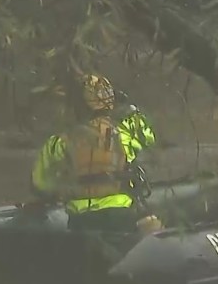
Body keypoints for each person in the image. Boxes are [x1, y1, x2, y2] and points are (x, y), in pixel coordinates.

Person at [31, 73, 162, 233]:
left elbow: (40, 184)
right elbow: (148, 136)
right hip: (120, 214)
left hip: (82, 220)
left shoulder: (59, 142)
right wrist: (129, 107)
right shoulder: (125, 133)